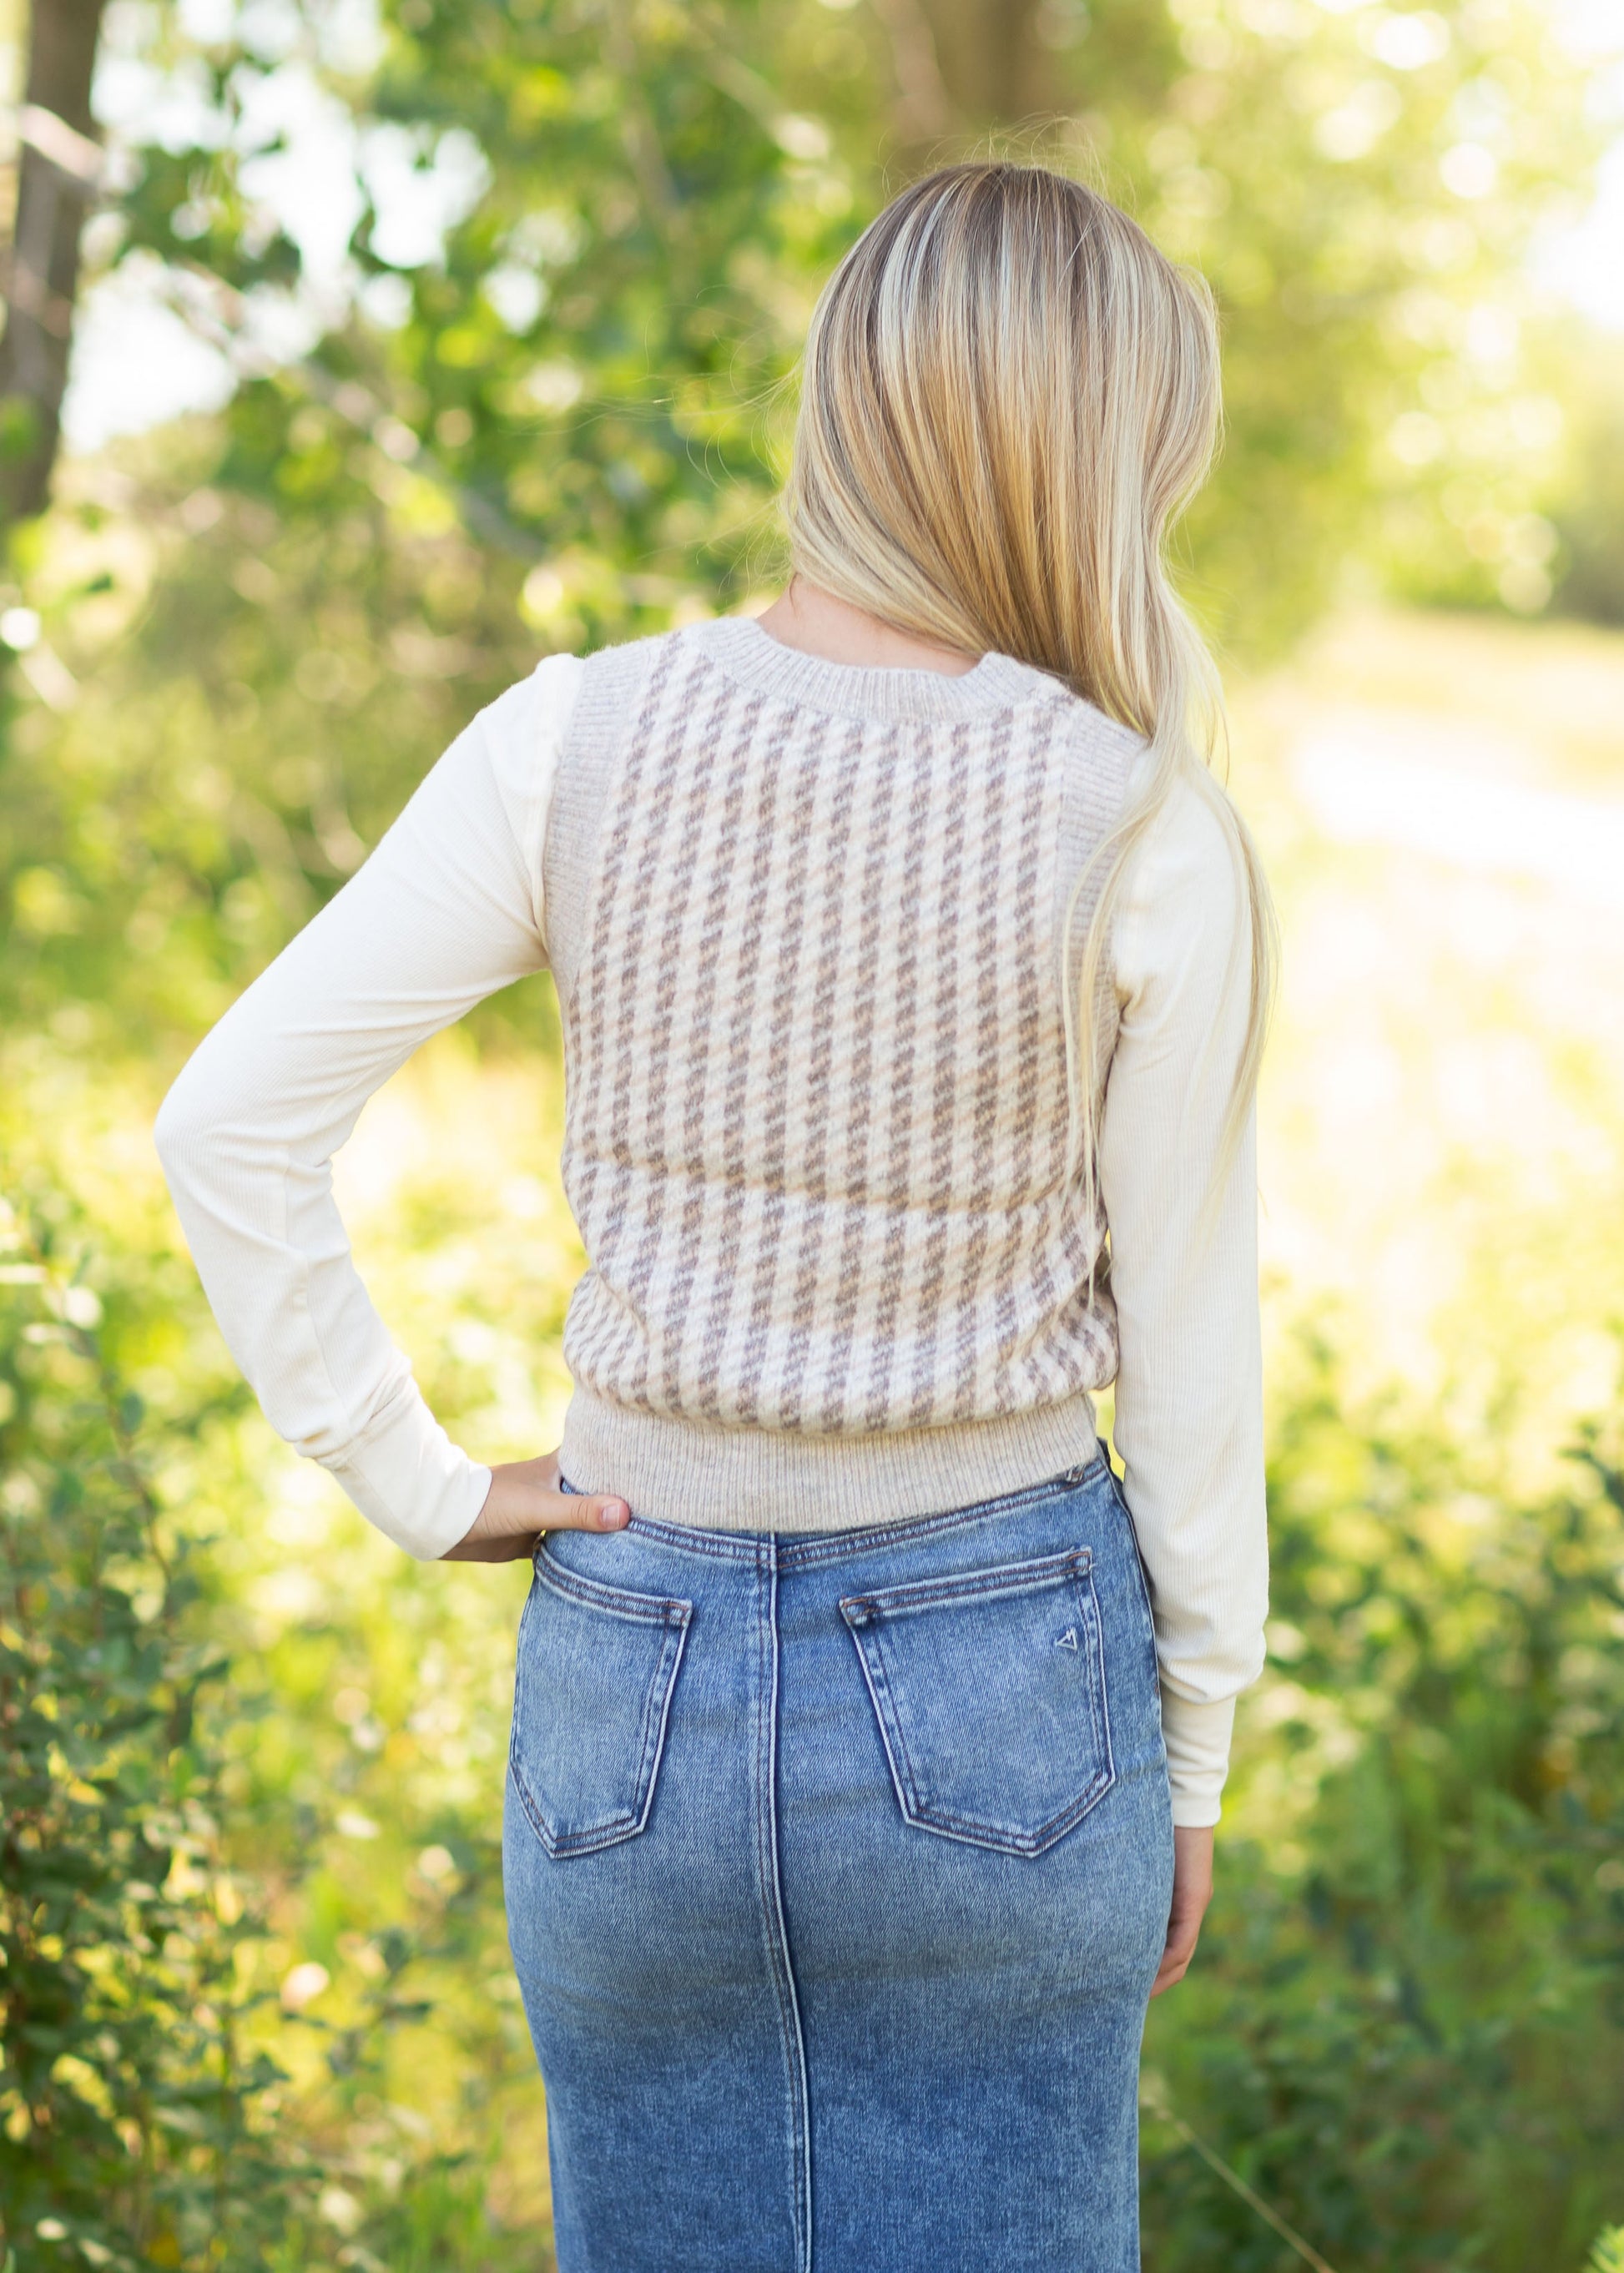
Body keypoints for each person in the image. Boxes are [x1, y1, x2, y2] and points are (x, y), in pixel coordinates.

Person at [155, 159, 1276, 2273]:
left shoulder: (569, 735)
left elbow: (230, 1122)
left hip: (629, 1685)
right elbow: (1194, 1361)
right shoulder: (1139, 820)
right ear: (1095, 453)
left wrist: (412, 1481)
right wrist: (1196, 1742)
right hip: (1006, 1694)